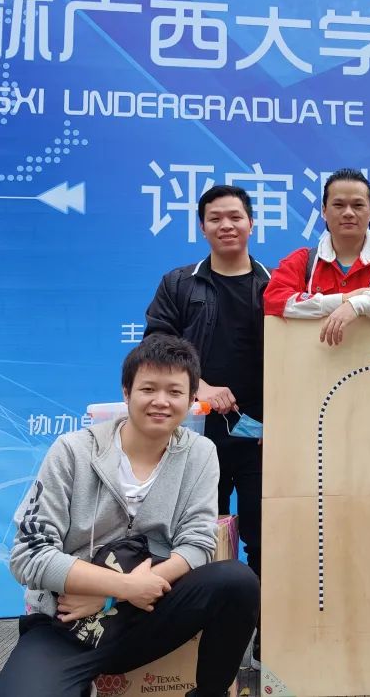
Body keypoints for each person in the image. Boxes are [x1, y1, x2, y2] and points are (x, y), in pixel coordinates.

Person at [0, 334, 259, 697]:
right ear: (126, 392)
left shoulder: (200, 453)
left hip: (149, 613)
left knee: (237, 581)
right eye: (148, 389)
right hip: (68, 621)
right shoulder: (73, 451)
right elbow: (29, 556)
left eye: (175, 392)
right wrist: (119, 587)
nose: (161, 401)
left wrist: (116, 596)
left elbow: (197, 543)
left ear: (190, 399)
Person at [143, 184, 267, 666]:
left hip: (260, 437)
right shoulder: (179, 284)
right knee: (193, 540)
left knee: (263, 539)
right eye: (215, 218)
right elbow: (156, 347)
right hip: (193, 438)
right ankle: (194, 644)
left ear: (251, 222)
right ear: (202, 226)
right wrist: (201, 388)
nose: (226, 225)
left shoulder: (274, 284)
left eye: (235, 216)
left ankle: (264, 638)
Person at [263, 168, 370, 340]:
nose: (348, 213)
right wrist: (341, 300)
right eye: (338, 205)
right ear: (324, 211)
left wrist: (360, 304)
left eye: (358, 205)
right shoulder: (304, 260)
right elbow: (273, 299)